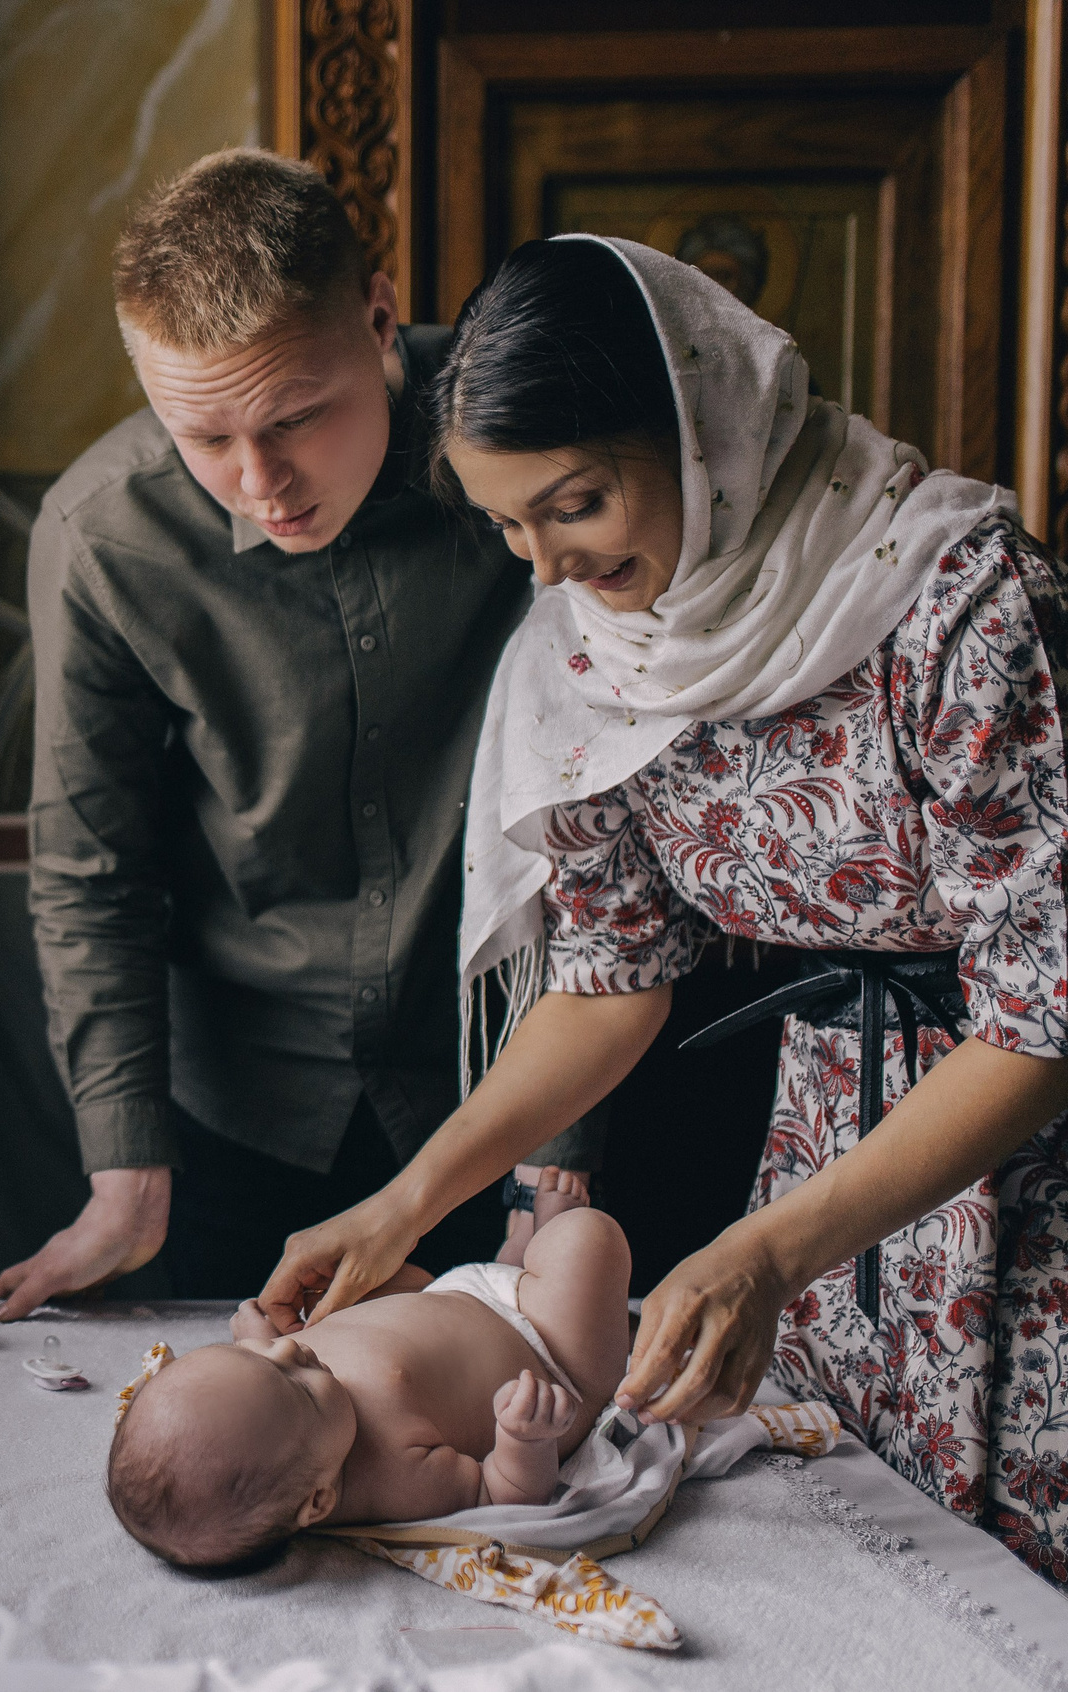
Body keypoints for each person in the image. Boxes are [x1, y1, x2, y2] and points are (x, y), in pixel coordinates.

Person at [258, 231, 1068, 1581]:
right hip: (827, 1170)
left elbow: (1046, 1018)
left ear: (705, 429)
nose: (548, 568)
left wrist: (766, 1251)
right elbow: (609, 979)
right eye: (509, 526)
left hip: (1020, 1175)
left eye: (575, 503)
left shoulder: (962, 605)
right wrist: (406, 1205)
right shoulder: (599, 655)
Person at [0, 148, 596, 1322]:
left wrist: (563, 1145)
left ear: (377, 320)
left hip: (516, 1090)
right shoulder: (101, 537)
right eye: (204, 439)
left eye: (295, 417)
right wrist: (125, 1173)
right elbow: (90, 871)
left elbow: (610, 806)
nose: (258, 481)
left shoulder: (527, 453)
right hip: (248, 1113)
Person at [110, 1208, 630, 1569]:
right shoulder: (392, 1476)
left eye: (251, 1358)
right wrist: (525, 1437)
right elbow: (505, 1495)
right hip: (546, 1346)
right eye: (297, 1387)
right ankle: (537, 1260)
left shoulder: (279, 1415)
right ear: (319, 1501)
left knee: (355, 1285)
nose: (288, 1352)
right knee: (584, 1237)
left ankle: (512, 1257)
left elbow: (268, 1371)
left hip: (444, 1295)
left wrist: (254, 1337)